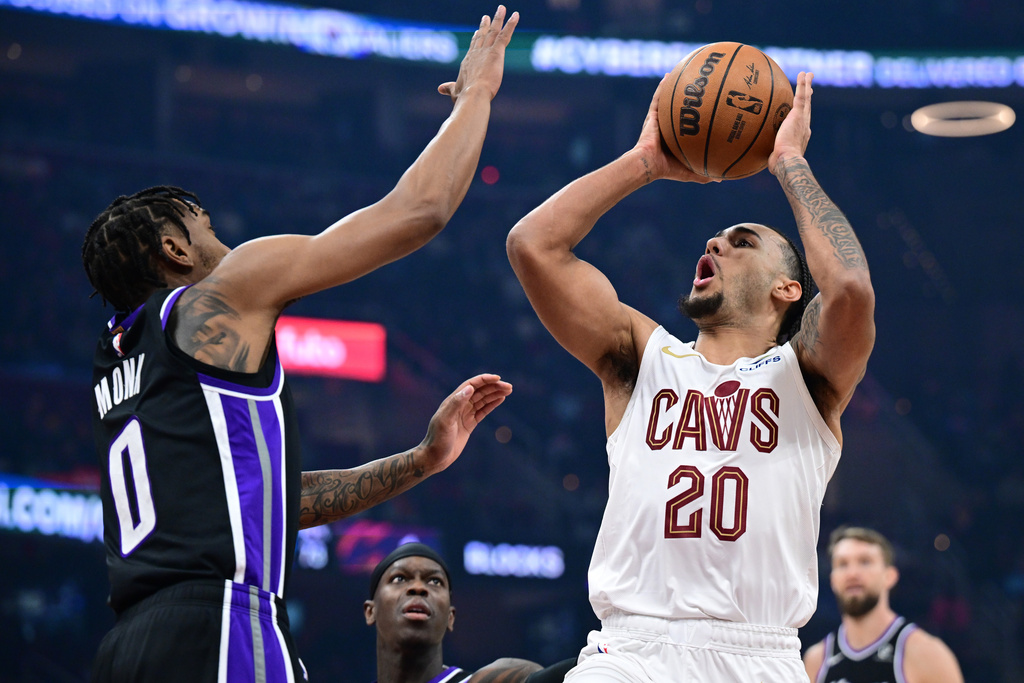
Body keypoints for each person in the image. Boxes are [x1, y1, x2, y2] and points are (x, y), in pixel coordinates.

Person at [81, 7, 519, 682]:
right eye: (206, 228)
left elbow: (269, 499)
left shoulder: (120, 361)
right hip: (220, 624)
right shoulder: (214, 298)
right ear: (172, 248)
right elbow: (416, 212)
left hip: (127, 647)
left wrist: (422, 460)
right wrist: (477, 96)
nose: (224, 241)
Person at [506, 71, 875, 683]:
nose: (716, 241)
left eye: (742, 240)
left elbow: (851, 288)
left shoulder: (807, 376)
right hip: (630, 653)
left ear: (788, 288)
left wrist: (788, 163)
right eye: (717, 237)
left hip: (758, 655)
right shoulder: (643, 358)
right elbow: (533, 245)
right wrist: (644, 161)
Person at [365, 543, 577, 683]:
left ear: (451, 617)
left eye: (435, 581)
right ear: (370, 611)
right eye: (400, 578)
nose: (419, 588)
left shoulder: (499, 677)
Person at [803, 527, 964, 683]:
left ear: (890, 576)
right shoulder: (816, 660)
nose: (852, 573)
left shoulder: (926, 653)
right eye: (842, 564)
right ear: (832, 580)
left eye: (865, 562)